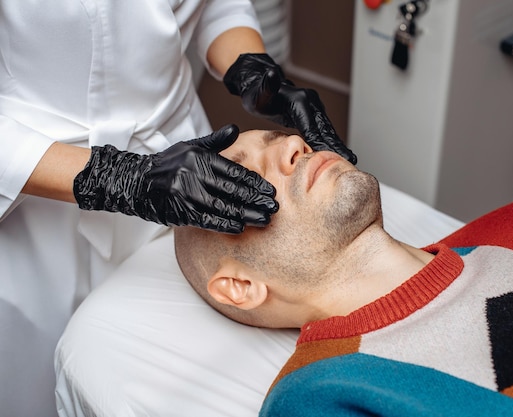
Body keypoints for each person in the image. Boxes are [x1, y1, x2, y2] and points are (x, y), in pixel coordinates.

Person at [0, 2, 356, 415]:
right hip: (36, 183)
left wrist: (250, 67)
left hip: (185, 158)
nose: (297, 145)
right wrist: (115, 177)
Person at [175, 128, 513, 417]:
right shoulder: (322, 395)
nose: (296, 145)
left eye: (281, 138)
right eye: (244, 175)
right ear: (240, 286)